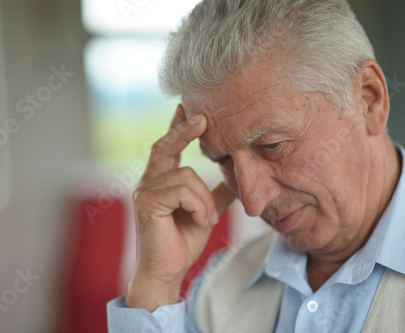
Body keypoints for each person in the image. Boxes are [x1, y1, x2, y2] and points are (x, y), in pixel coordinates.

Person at [107, 0, 405, 332]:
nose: (251, 203)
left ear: (369, 99)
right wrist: (156, 285)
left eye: (272, 146)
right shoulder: (218, 293)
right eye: (222, 160)